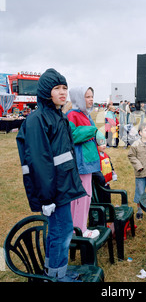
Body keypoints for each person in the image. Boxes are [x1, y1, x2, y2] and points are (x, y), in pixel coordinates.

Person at [16, 68, 86, 282]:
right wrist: (46, 198)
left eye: (64, 88)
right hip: (53, 190)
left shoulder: (58, 117)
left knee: (60, 230)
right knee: (61, 231)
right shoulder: (37, 119)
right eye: (57, 88)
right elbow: (39, 161)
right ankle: (57, 276)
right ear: (47, 91)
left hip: (62, 186)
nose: (63, 92)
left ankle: (54, 271)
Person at [67, 86, 102, 239]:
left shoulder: (84, 114)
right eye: (87, 96)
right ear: (79, 98)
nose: (91, 99)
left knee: (81, 197)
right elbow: (73, 135)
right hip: (81, 163)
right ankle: (80, 228)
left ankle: (76, 227)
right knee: (83, 197)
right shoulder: (72, 114)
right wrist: (93, 131)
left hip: (87, 161)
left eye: (92, 96)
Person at [93, 131, 117, 203]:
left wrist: (113, 172)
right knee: (101, 199)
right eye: (101, 144)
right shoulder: (96, 157)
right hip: (99, 185)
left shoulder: (106, 155)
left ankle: (108, 209)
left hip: (107, 183)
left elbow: (110, 165)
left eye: (104, 143)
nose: (104, 145)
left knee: (107, 198)